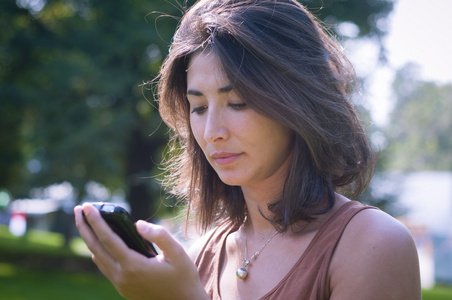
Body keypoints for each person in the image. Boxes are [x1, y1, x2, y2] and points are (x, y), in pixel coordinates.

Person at [74, 0, 422, 299]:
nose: (212, 133)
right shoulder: (199, 257)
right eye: (198, 107)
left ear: (298, 100)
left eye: (237, 102)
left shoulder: (374, 245)